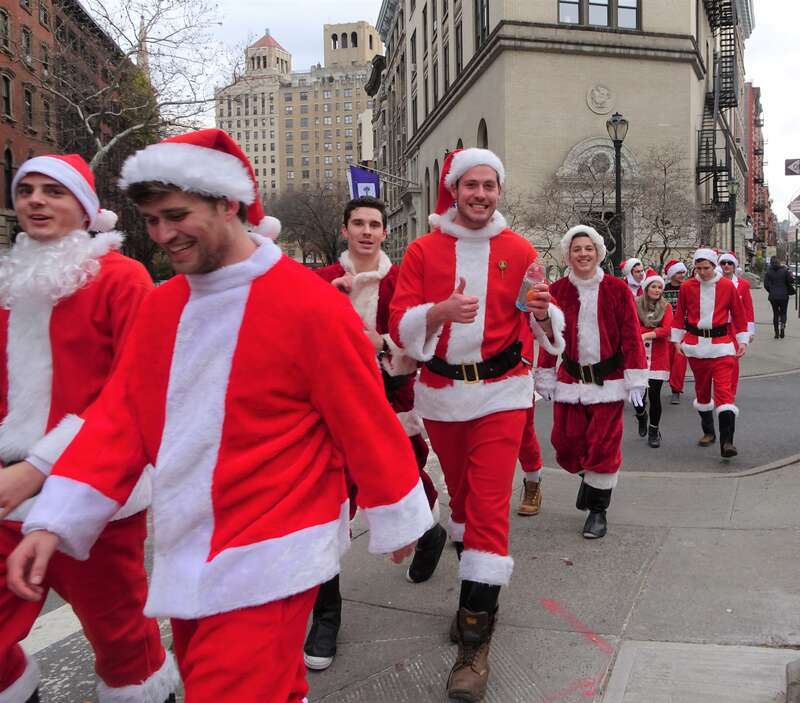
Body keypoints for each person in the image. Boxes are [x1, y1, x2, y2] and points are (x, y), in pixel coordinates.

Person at [6, 129, 432, 703]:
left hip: (275, 550)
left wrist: (396, 511)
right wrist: (55, 516)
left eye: (177, 215)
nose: (163, 235)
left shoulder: (308, 304)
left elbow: (363, 418)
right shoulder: (163, 306)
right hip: (190, 545)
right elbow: (121, 419)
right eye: (153, 221)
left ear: (227, 203)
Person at [0, 154, 178, 703]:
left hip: (92, 491)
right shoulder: (11, 280)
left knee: (121, 639)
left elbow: (133, 393)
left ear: (83, 207)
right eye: (25, 189)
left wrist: (36, 469)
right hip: (8, 491)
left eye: (53, 191)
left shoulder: (123, 279)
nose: (35, 200)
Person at [389, 147, 554, 701]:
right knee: (461, 504)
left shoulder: (519, 248)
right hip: (440, 396)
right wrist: (439, 313)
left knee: (486, 508)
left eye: (490, 186)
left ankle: (475, 640)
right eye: (471, 186)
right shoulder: (421, 250)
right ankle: (475, 598)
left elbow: (542, 314)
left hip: (503, 393)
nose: (481, 195)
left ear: (499, 191)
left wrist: (540, 309)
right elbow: (400, 324)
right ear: (454, 190)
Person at [305, 196, 445, 672]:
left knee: (410, 483)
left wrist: (380, 345)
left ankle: (428, 532)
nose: (367, 231)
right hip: (330, 410)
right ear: (345, 229)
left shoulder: (402, 280)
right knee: (328, 507)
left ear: (386, 232)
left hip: (391, 402)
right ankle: (327, 615)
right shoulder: (321, 280)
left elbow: (417, 344)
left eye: (375, 225)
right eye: (358, 223)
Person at [535, 226, 647, 540]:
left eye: (588, 248)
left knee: (603, 447)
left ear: (598, 252)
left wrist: (636, 377)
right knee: (565, 445)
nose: (583, 254)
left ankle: (598, 511)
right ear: (568, 255)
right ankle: (591, 480)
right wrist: (544, 372)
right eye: (576, 249)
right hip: (570, 379)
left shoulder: (616, 289)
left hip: (608, 382)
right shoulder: (558, 289)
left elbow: (631, 336)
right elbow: (549, 337)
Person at [671, 248, 749, 458]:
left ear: (714, 266)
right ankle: (708, 432)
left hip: (723, 346)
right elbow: (679, 316)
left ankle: (727, 442)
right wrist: (676, 339)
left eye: (706, 268)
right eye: (699, 268)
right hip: (696, 346)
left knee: (724, 394)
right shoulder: (687, 287)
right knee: (702, 391)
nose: (703, 272)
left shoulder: (726, 286)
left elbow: (739, 315)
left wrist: (742, 340)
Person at [632, 269, 673, 448]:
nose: (657, 290)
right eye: (653, 287)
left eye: (659, 287)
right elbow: (631, 327)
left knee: (655, 396)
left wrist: (647, 335)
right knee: (638, 396)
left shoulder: (666, 307)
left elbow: (667, 330)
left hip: (658, 357)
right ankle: (641, 416)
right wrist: (646, 334)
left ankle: (654, 430)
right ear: (646, 288)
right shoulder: (635, 305)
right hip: (638, 357)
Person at [718, 252, 755, 394]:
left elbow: (748, 308)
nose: (726, 265)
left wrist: (749, 331)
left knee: (733, 360)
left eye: (730, 263)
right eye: (723, 263)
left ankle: (730, 391)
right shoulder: (714, 282)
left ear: (734, 266)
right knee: (718, 360)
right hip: (718, 326)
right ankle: (720, 389)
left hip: (735, 327)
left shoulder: (743, 285)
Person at [662, 259, 688, 404]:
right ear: (672, 274)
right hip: (667, 331)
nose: (682, 275)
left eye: (683, 272)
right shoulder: (664, 290)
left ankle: (676, 390)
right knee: (668, 360)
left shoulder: (688, 288)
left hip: (684, 330)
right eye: (678, 272)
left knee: (680, 361)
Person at [763, 256, 795, 339]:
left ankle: (776, 333)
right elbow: (791, 281)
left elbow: (766, 285)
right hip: (784, 296)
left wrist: (771, 290)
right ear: (779, 262)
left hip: (773, 296)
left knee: (775, 313)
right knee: (783, 313)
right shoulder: (784, 271)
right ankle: (783, 327)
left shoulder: (768, 272)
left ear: (771, 263)